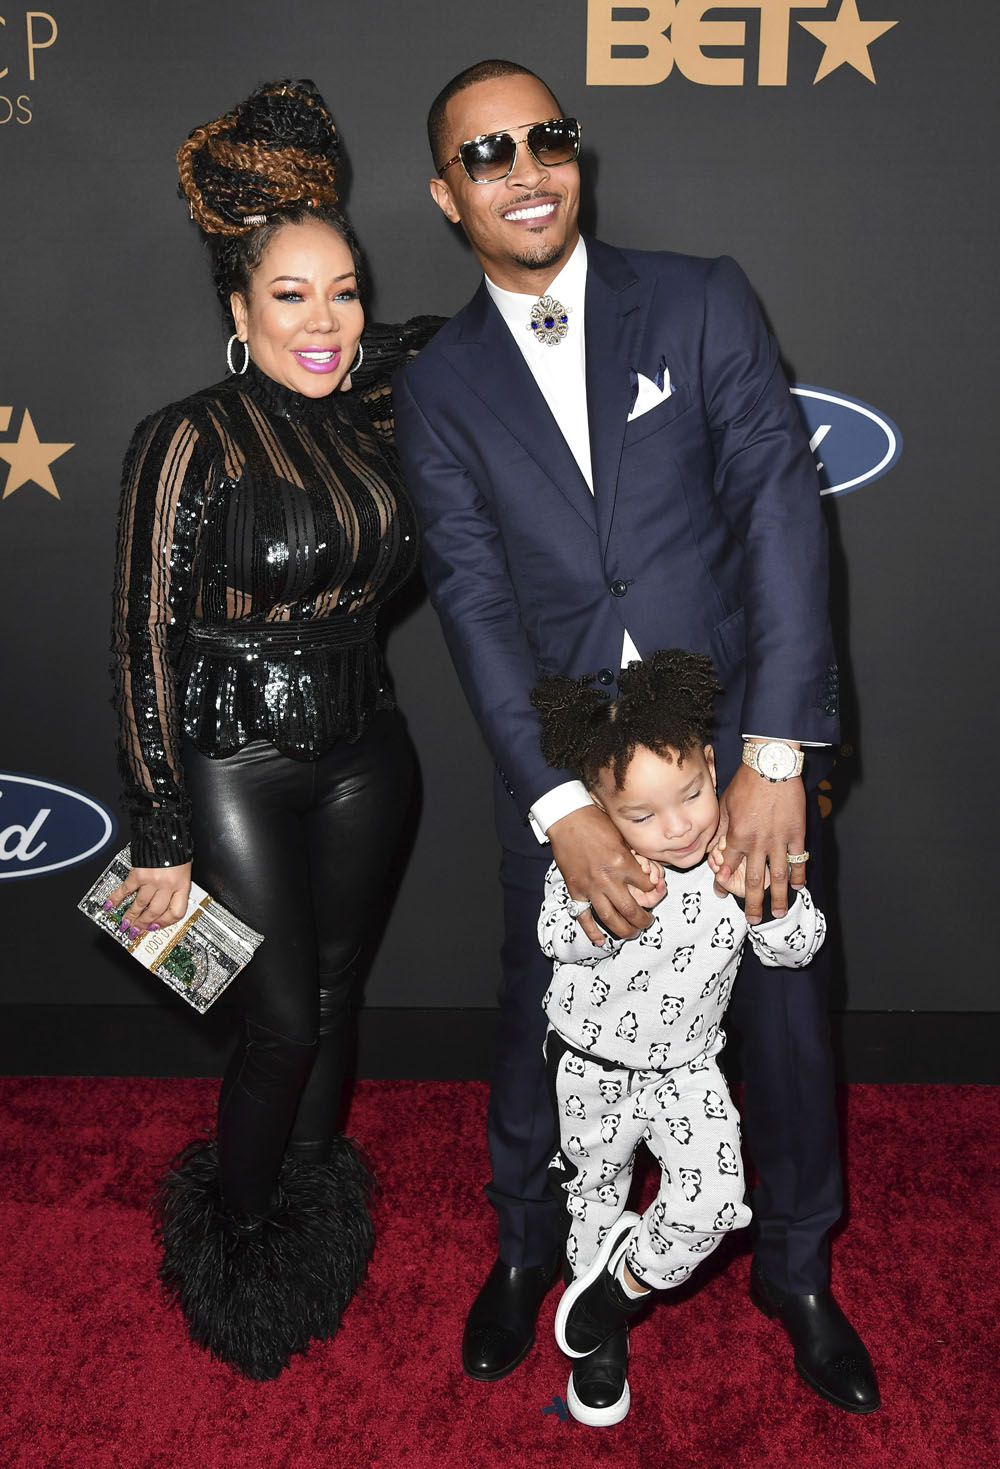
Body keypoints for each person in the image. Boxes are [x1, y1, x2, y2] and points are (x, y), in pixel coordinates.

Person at [393, 58, 879, 1413]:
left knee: (783, 1019)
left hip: (734, 758)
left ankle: (795, 1269)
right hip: (559, 776)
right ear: (448, 195)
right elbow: (478, 607)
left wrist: (777, 753)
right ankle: (526, 1249)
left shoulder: (702, 295)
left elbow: (784, 517)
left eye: (544, 137)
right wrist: (559, 802)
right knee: (542, 1019)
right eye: (487, 154)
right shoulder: (435, 388)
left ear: (576, 154)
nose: (525, 167)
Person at [109, 79, 437, 1380]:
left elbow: (505, 336)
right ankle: (240, 1245)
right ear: (240, 309)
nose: (325, 318)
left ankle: (310, 1195)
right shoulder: (183, 439)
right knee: (281, 1023)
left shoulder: (381, 417)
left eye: (343, 289)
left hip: (369, 749)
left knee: (339, 993)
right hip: (230, 754)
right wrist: (158, 832)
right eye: (291, 293)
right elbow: (139, 635)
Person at [531, 649, 825, 1424]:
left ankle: (615, 1293)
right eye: (642, 815)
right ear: (600, 811)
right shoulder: (597, 863)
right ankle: (599, 1347)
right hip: (591, 1066)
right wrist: (610, 905)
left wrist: (766, 899)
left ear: (709, 762)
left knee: (718, 1202)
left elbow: (798, 949)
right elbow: (557, 937)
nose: (679, 824)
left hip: (689, 1069)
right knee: (593, 1200)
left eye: (691, 793)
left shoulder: (736, 848)